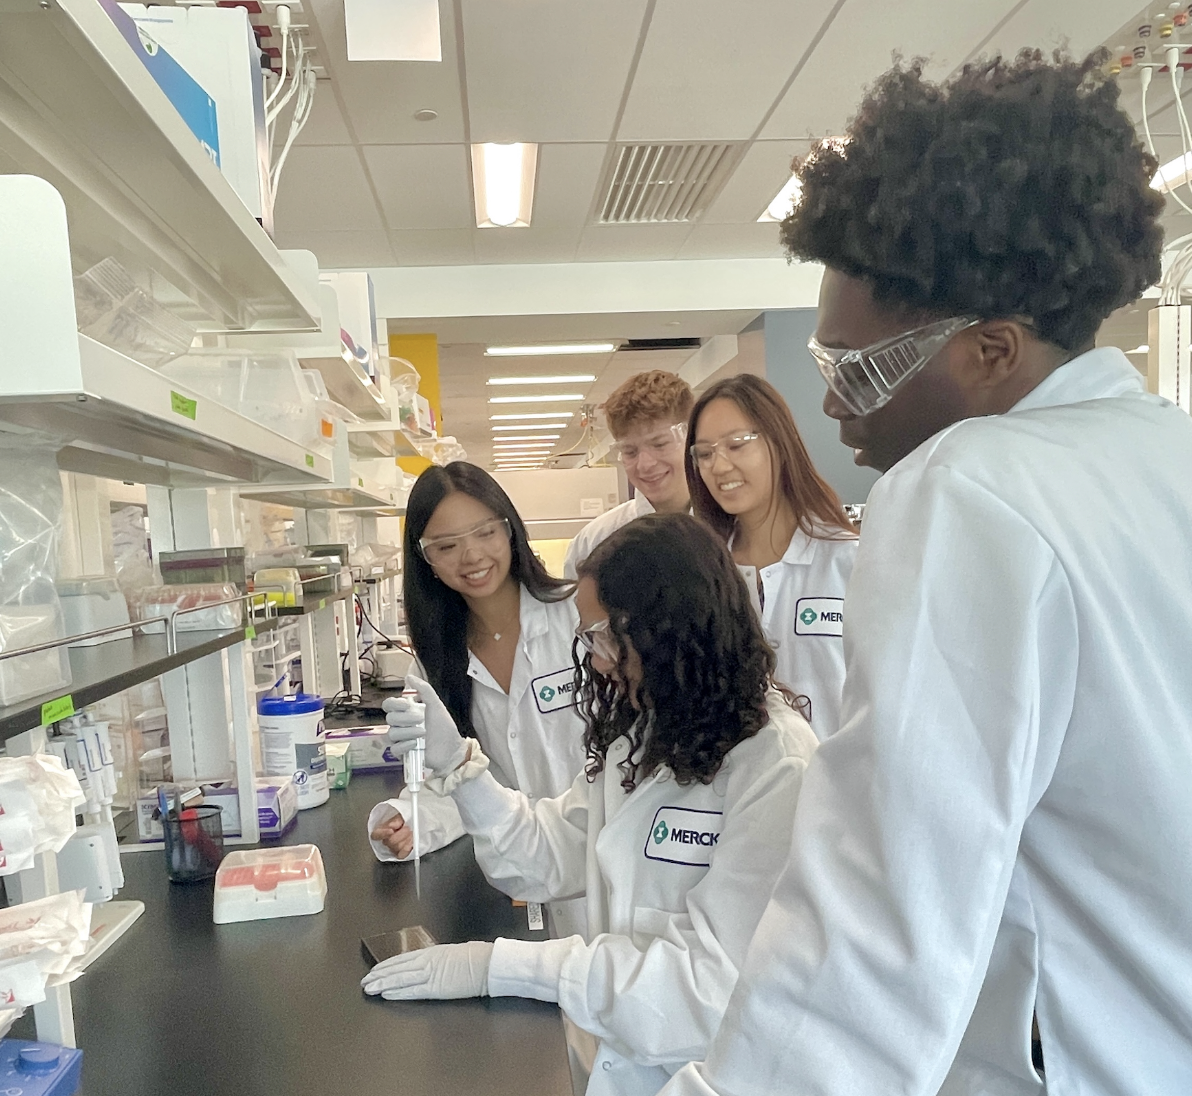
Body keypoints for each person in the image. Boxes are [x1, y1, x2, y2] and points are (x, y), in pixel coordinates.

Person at [657, 51, 1192, 1096]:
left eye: (854, 369)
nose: (840, 411)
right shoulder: (1165, 453)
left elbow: (876, 915)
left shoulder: (966, 487)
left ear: (991, 350)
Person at [363, 514, 818, 1096]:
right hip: (625, 1063)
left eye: (605, 635)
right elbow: (542, 855)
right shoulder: (650, 731)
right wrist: (460, 769)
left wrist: (503, 968)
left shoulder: (775, 762)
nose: (597, 660)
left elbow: (707, 989)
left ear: (668, 626)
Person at [366, 462, 588, 937]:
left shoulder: (578, 618)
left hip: (602, 862)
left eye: (485, 533)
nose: (471, 556)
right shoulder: (435, 661)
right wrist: (409, 820)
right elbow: (456, 783)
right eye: (446, 546)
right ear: (425, 559)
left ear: (509, 529)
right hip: (518, 874)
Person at [686, 374, 857, 739]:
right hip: (741, 789)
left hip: (840, 785)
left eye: (736, 445)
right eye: (705, 453)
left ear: (779, 443)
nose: (718, 466)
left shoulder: (849, 560)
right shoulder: (699, 576)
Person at [563, 370, 693, 579]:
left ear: (691, 437)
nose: (645, 464)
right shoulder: (594, 542)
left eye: (660, 444)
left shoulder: (735, 526)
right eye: (630, 451)